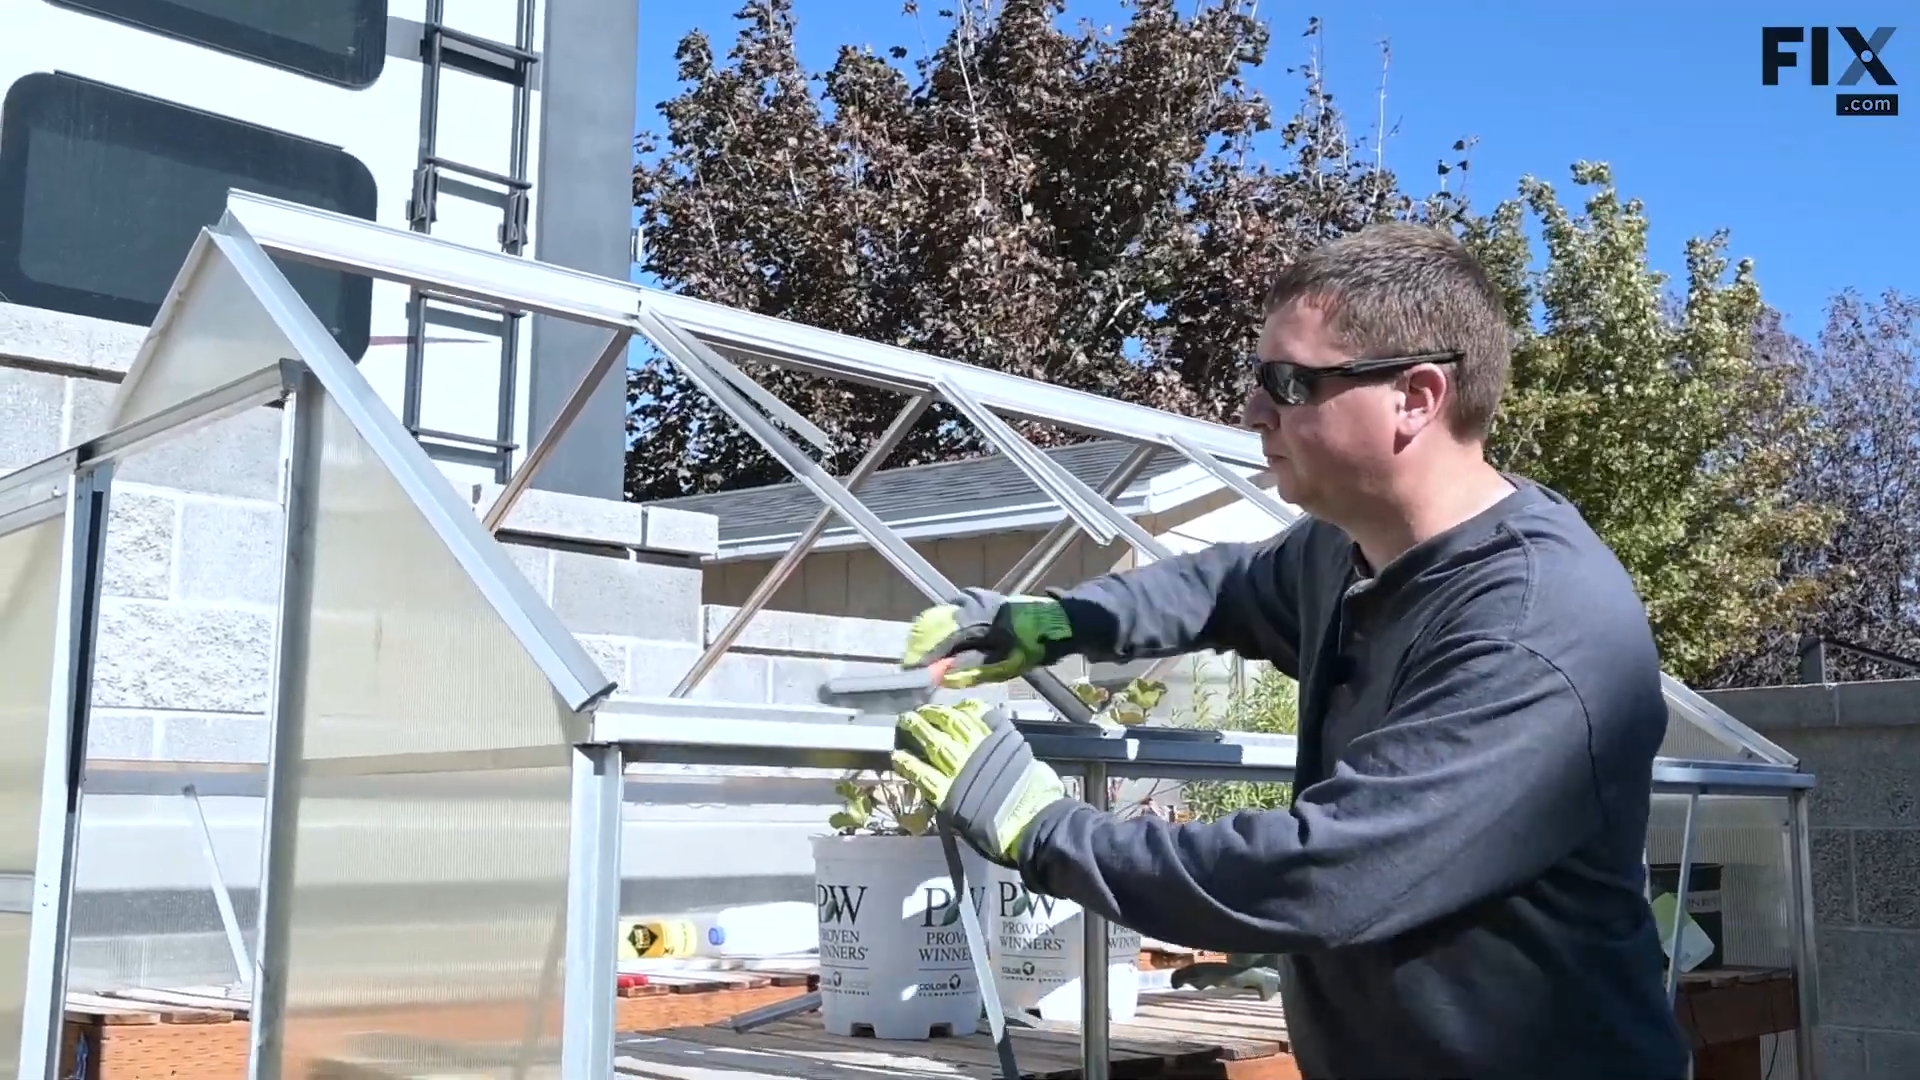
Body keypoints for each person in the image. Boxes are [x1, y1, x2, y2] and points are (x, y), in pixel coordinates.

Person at [887, 223, 1691, 1080]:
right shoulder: (1343, 554)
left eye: (1290, 381)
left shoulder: (1534, 625)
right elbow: (1224, 589)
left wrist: (1043, 829)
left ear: (1416, 396)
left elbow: (1325, 872)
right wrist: (1054, 622)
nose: (1253, 410)